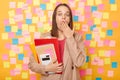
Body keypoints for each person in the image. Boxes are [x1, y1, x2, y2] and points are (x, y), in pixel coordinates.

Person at [28, 3, 86, 80]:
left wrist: (70, 37)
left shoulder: (77, 38)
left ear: (70, 19)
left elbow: (79, 62)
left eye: (67, 15)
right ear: (55, 18)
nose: (63, 17)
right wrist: (46, 68)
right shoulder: (44, 37)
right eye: (59, 14)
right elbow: (32, 64)